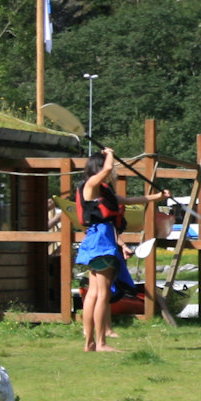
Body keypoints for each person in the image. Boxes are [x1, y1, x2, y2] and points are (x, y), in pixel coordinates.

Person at [74, 148, 168, 352]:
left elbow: (129, 201)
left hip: (97, 241)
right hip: (101, 242)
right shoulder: (92, 185)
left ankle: (90, 343)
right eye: (109, 169)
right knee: (101, 294)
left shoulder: (104, 191)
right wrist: (110, 153)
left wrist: (157, 197)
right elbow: (108, 167)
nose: (112, 172)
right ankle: (100, 343)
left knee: (93, 294)